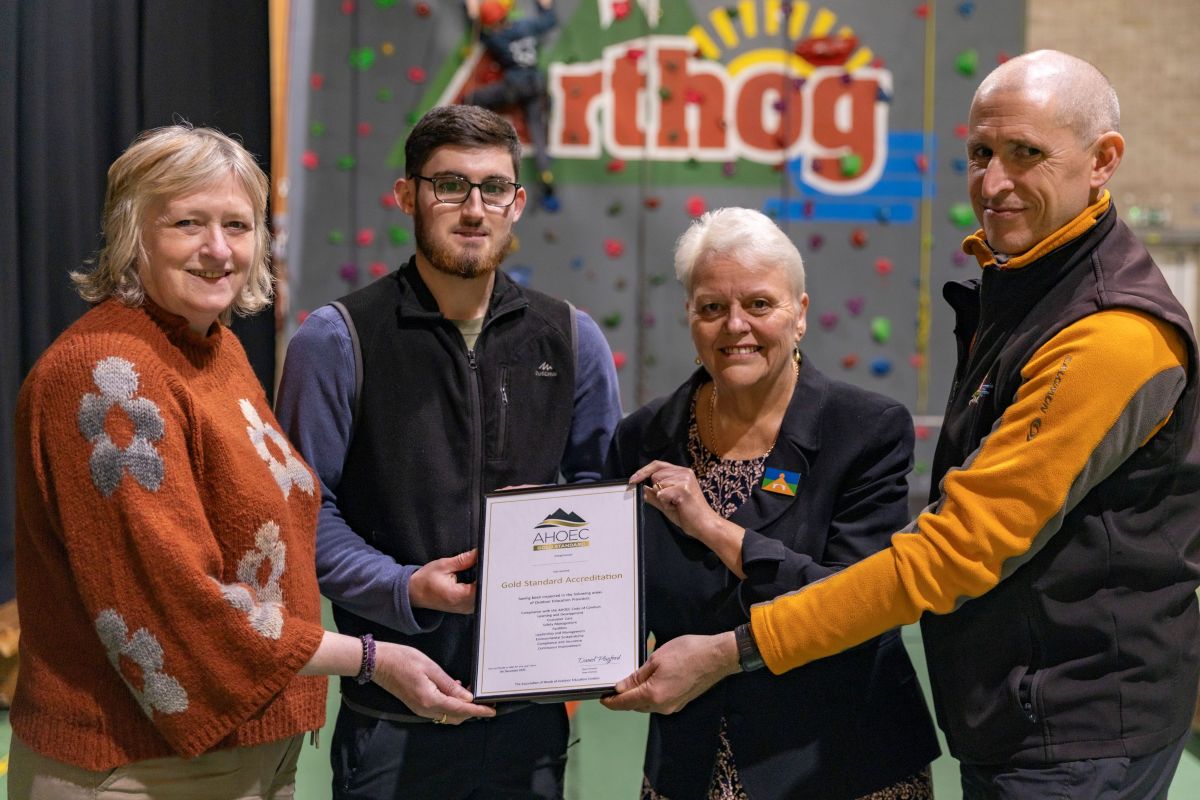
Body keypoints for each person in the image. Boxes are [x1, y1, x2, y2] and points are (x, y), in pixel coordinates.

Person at [603, 49, 1200, 799]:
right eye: (981, 153)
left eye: (1026, 154)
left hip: (1070, 727)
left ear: (1103, 160)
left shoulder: (1107, 333)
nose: (993, 182)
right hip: (1011, 713)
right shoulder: (1028, 294)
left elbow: (947, 554)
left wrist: (735, 645)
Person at [8, 125, 493, 800]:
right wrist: (370, 659)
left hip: (251, 749)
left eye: (238, 225)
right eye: (187, 223)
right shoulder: (104, 374)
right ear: (132, 233)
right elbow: (179, 603)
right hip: (137, 764)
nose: (217, 249)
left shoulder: (217, 349)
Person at [275, 104, 622, 799]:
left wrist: (563, 532)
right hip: (390, 714)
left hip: (530, 721)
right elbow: (303, 515)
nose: (474, 209)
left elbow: (604, 497)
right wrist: (404, 588)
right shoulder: (337, 341)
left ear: (517, 203)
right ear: (407, 195)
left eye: (494, 188)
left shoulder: (573, 339)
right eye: (449, 186)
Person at [606, 207, 939, 799]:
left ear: (801, 315)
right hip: (693, 760)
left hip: (840, 763)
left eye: (760, 304)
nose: (735, 325)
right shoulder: (641, 438)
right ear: (690, 316)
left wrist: (710, 525)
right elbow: (612, 592)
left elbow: (857, 603)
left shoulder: (866, 431)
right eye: (711, 307)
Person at [463, 0, 557, 199]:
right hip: (536, 83)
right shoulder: (527, 26)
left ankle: (479, 136)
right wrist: (545, 6)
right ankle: (546, 173)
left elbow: (480, 34)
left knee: (472, 98)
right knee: (537, 129)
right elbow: (550, 20)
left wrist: (472, 12)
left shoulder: (498, 37)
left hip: (514, 85)